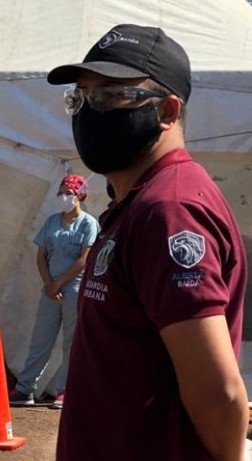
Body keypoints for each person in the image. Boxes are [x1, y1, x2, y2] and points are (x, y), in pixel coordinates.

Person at [47, 24, 248, 460]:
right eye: (80, 98)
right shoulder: (138, 204)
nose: (89, 112)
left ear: (168, 111)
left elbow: (221, 395)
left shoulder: (169, 211)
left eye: (110, 96)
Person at [9, 175, 98, 410]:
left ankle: (64, 390)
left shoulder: (89, 223)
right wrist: (49, 284)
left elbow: (84, 260)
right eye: (61, 192)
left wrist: (58, 283)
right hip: (50, 289)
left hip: (73, 288)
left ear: (80, 196)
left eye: (68, 192)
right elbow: (41, 256)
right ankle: (25, 388)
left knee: (71, 341)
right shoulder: (51, 222)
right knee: (41, 338)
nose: (64, 197)